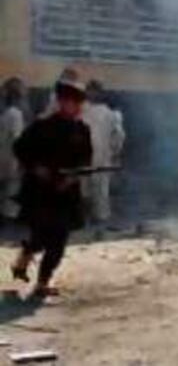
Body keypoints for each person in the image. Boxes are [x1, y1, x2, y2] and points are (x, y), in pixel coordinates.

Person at [11, 75, 92, 297]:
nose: (74, 107)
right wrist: (37, 168)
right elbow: (20, 148)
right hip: (41, 192)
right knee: (40, 237)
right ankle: (24, 258)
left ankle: (42, 283)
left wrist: (72, 178)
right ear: (61, 102)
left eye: (78, 102)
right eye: (70, 101)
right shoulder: (42, 126)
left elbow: (86, 160)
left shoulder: (82, 130)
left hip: (66, 193)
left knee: (59, 240)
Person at [81, 80, 124, 225]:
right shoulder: (81, 111)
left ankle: (96, 221)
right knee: (90, 190)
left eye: (93, 91)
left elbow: (118, 136)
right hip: (87, 157)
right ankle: (92, 219)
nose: (91, 94)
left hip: (97, 158)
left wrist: (114, 152)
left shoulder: (109, 114)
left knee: (96, 191)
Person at [0, 78, 26, 222]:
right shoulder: (16, 114)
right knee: (12, 189)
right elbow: (17, 139)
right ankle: (7, 219)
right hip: (12, 159)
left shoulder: (5, 113)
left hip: (4, 156)